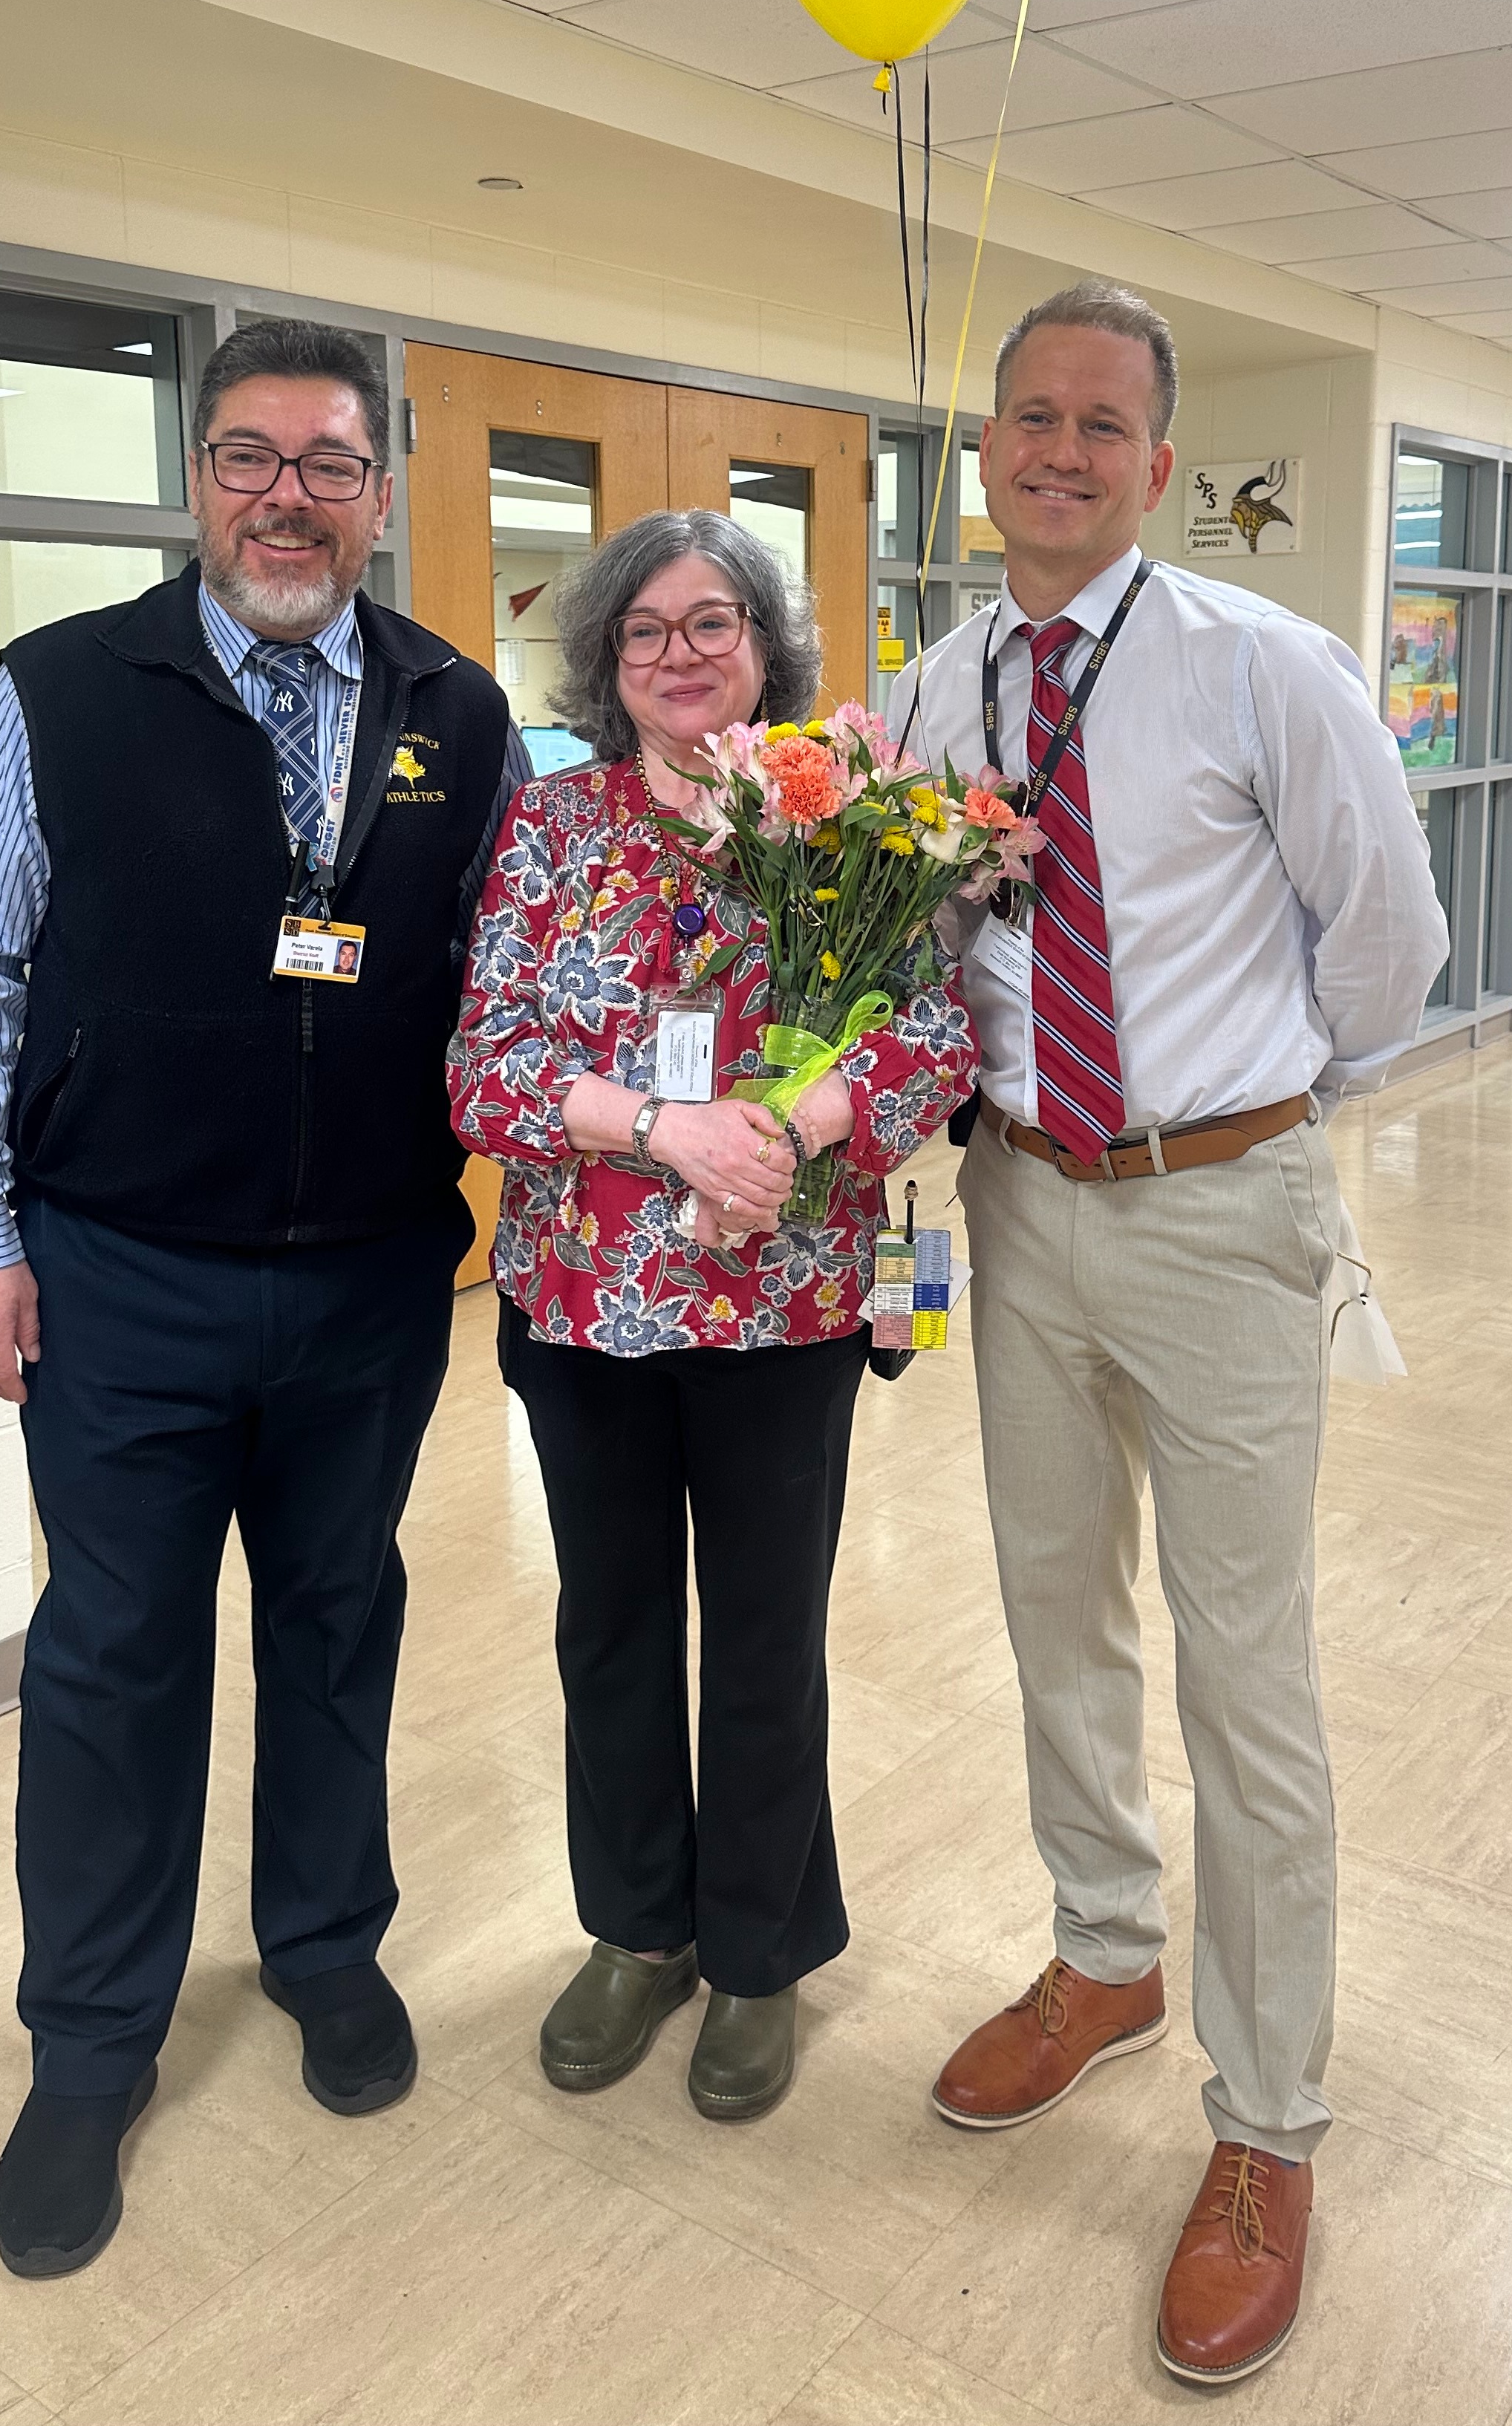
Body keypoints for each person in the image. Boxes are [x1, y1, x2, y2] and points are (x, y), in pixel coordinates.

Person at [0, 318, 526, 2280]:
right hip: (119, 1280)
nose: (286, 498)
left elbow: (516, 968)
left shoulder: (460, 708)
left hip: (367, 1290)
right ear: (198, 481)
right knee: (113, 1660)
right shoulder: (65, 690)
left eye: (329, 465)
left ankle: (327, 1951)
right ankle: (89, 2045)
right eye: (249, 458)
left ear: (379, 492)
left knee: (339, 1623)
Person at [900, 279, 1447, 2387]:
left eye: (1101, 424)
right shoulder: (937, 694)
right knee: (1058, 1614)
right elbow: (930, 941)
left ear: (1157, 455)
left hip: (1220, 1209)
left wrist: (1254, 1113)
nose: (1059, 451)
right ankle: (1105, 1954)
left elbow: (1385, 940)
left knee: (1247, 1673)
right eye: (1027, 417)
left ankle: (1267, 2122)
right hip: (1020, 1205)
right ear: (989, 447)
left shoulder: (1261, 668)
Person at [449, 510, 976, 2123]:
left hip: (789, 1308)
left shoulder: (850, 817)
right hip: (588, 1305)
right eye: (647, 633)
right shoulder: (547, 824)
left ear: (767, 645)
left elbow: (939, 1033)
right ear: (608, 662)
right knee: (607, 1631)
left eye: (714, 624)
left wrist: (804, 1125)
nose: (682, 656)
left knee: (765, 1641)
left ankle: (758, 1955)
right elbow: (480, 1065)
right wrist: (656, 1126)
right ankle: (636, 1933)